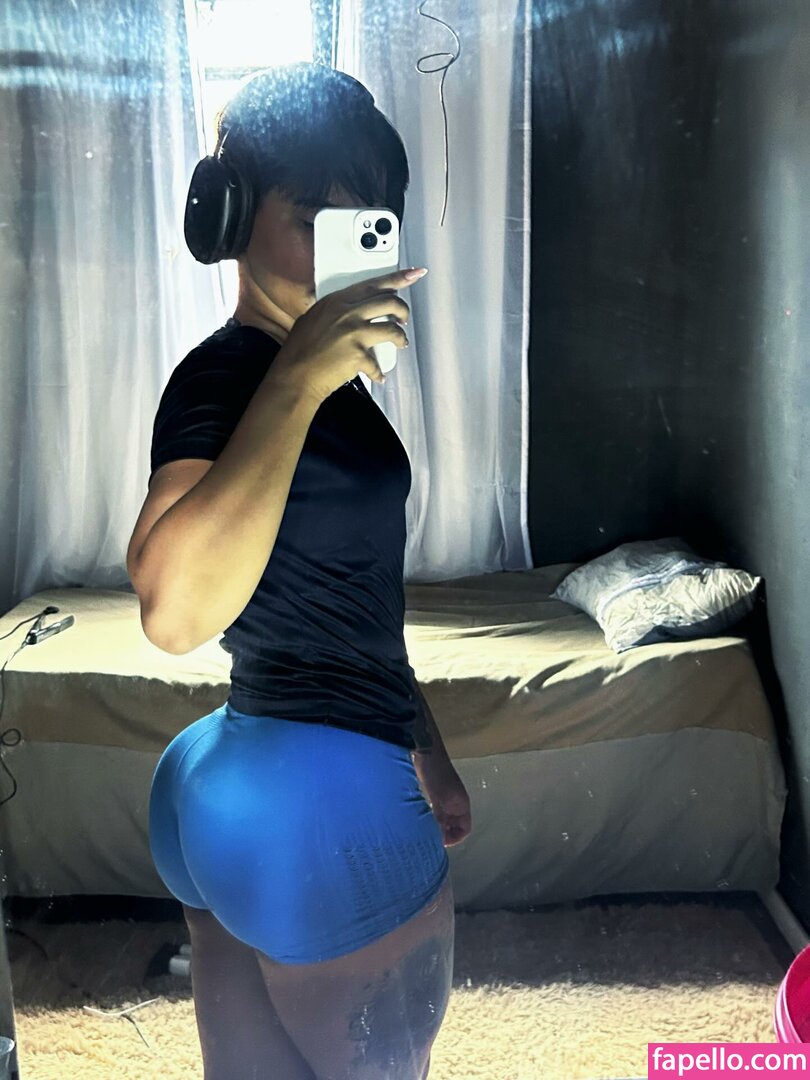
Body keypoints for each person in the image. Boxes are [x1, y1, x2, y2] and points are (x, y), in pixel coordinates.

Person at [126, 62, 472, 1080]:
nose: (342, 244)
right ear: (231, 217)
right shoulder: (231, 375)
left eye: (365, 219)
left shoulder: (328, 382)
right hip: (319, 813)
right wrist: (300, 374)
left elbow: (349, 597)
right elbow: (173, 611)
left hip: (236, 783)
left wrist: (427, 746)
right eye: (313, 215)